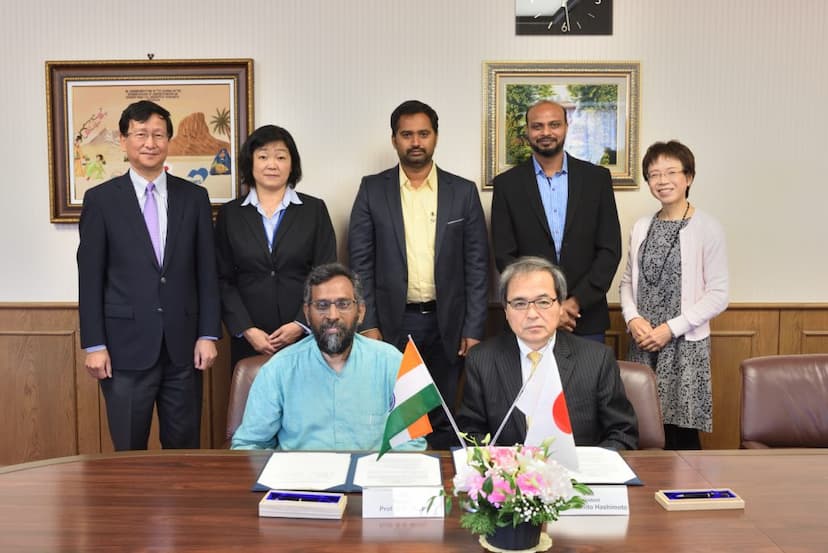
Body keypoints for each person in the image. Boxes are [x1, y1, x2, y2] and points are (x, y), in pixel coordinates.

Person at [77, 100, 220, 451]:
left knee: (184, 448)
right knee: (127, 449)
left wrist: (208, 334)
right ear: (124, 141)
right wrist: (94, 345)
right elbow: (90, 278)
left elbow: (207, 272)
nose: (150, 143)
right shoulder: (101, 200)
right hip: (124, 350)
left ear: (169, 140)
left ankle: (184, 507)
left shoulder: (195, 197)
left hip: (183, 347)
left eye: (158, 134)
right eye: (140, 134)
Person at [348, 100, 489, 449]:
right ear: (394, 139)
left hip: (448, 323)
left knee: (442, 415)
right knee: (396, 414)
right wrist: (368, 324)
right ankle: (398, 490)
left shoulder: (463, 191)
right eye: (406, 134)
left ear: (435, 137)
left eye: (423, 134)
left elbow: (477, 265)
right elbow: (360, 263)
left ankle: (439, 494)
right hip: (392, 323)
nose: (415, 142)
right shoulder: (372, 189)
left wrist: (473, 328)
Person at [231, 263, 427, 452]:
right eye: (322, 305)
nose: (332, 315)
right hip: (299, 482)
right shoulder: (278, 370)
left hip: (370, 481)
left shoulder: (392, 362)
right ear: (307, 313)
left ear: (360, 312)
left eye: (343, 304)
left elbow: (411, 445)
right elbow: (249, 445)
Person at [457, 256, 638, 450]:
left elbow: (622, 432)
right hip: (511, 476)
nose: (532, 314)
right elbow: (470, 432)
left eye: (543, 302)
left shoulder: (597, 359)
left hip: (577, 476)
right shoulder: (482, 360)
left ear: (560, 306)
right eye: (519, 304)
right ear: (506, 311)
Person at [619, 140, 728, 450]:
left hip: (683, 346)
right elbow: (627, 281)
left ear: (689, 177)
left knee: (680, 437)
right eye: (654, 174)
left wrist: (670, 329)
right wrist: (633, 318)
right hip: (644, 342)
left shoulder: (708, 227)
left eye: (670, 172)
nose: (662, 181)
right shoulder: (642, 226)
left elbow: (719, 294)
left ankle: (686, 497)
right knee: (642, 429)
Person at [491, 100, 621, 342]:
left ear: (566, 127)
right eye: (537, 126)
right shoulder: (507, 185)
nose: (546, 133)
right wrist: (544, 305)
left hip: (585, 316)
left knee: (586, 381)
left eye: (554, 125)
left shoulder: (597, 179)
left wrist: (574, 302)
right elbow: (505, 256)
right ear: (528, 131)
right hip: (529, 318)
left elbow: (609, 250)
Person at [215, 125, 336, 368]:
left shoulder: (314, 210)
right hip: (250, 339)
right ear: (250, 163)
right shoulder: (230, 214)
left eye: (281, 157)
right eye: (263, 156)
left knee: (306, 403)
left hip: (304, 336)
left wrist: (301, 323)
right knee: (253, 402)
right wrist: (246, 329)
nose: (272, 164)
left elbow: (327, 275)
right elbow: (222, 278)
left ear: (292, 164)